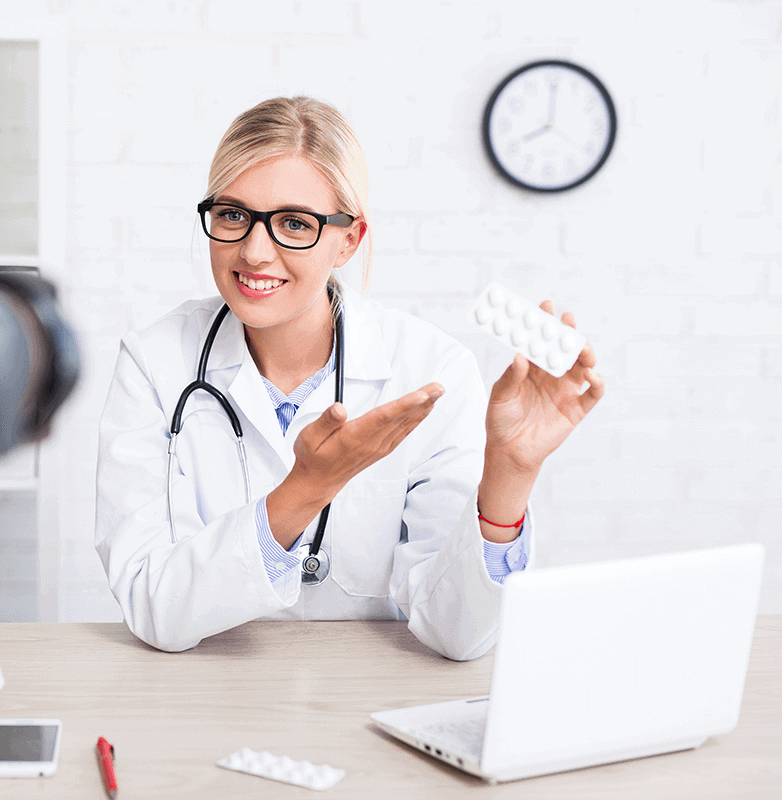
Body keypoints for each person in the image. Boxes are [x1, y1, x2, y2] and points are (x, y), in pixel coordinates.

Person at [94, 96, 603, 658]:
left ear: (349, 239)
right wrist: (305, 491)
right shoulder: (154, 361)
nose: (255, 251)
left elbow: (457, 635)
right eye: (233, 215)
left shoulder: (430, 370)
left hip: (365, 694)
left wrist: (511, 470)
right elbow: (151, 604)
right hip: (201, 689)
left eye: (294, 223)